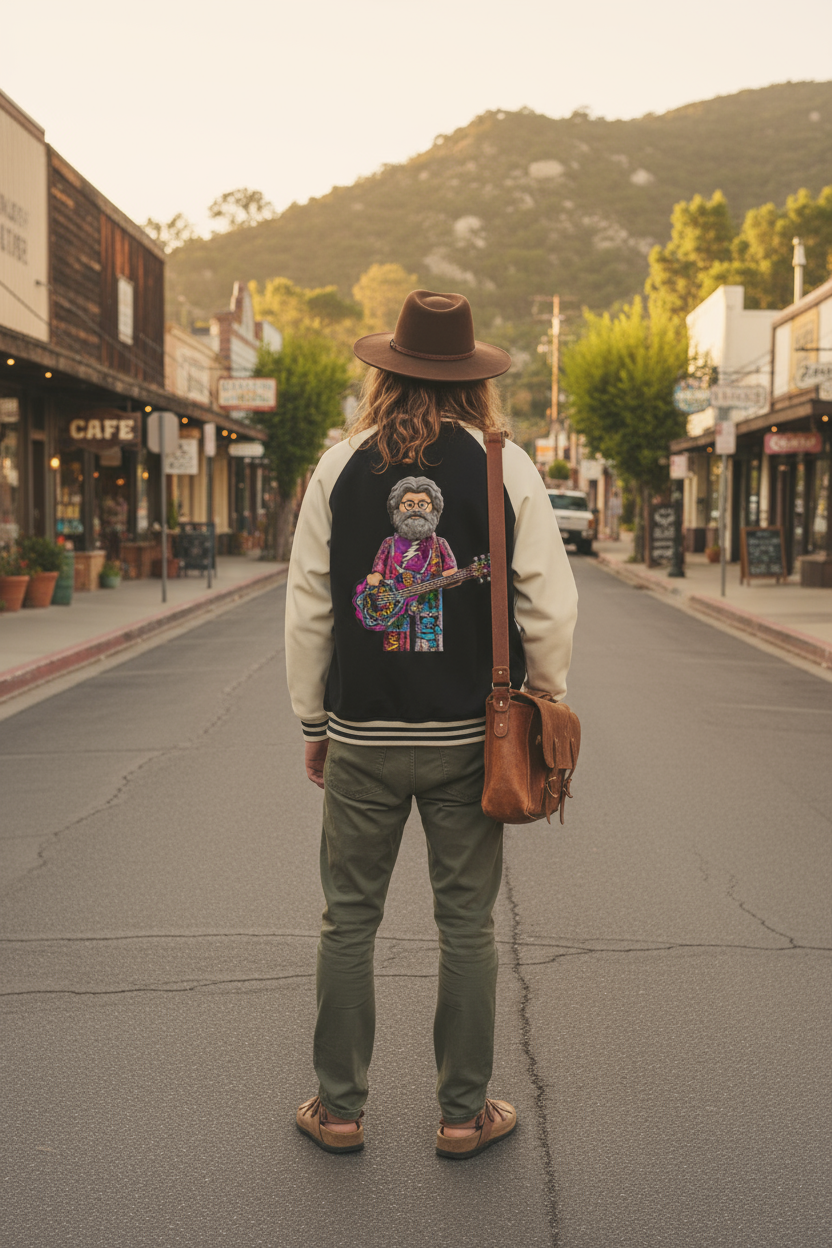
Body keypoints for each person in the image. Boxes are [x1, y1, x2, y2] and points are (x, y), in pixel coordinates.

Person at [285, 290, 577, 1160]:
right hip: (469, 739)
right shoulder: (505, 466)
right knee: (466, 924)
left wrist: (313, 719)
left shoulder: (338, 466)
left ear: (387, 374)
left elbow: (309, 607)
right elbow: (549, 604)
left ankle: (340, 1111)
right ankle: (461, 1114)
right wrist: (545, 696)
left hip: (362, 733)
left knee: (347, 920)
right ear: (473, 380)